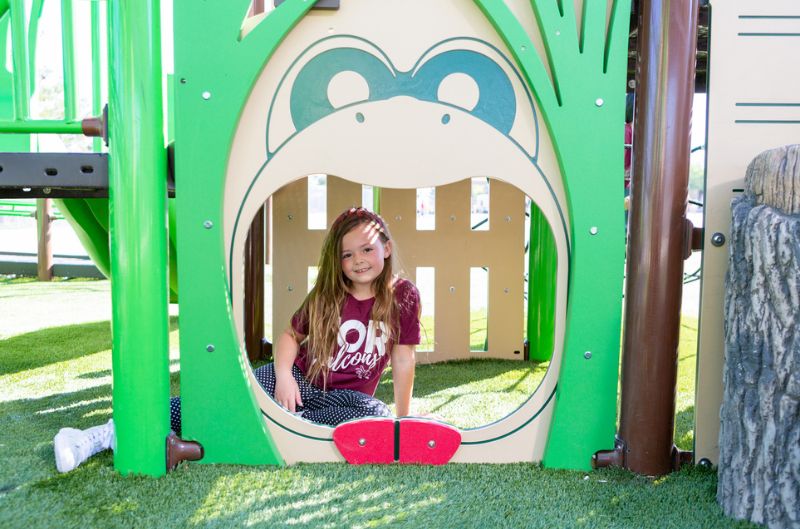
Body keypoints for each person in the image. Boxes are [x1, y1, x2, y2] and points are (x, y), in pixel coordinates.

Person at [54, 206, 420, 472]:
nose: (358, 260)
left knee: (377, 415)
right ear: (337, 261)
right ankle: (100, 435)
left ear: (386, 248)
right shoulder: (328, 294)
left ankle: (274, 424)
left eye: (367, 249)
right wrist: (284, 377)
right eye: (347, 254)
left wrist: (405, 420)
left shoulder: (403, 295)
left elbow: (403, 359)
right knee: (220, 400)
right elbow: (290, 336)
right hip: (300, 383)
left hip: (348, 398)